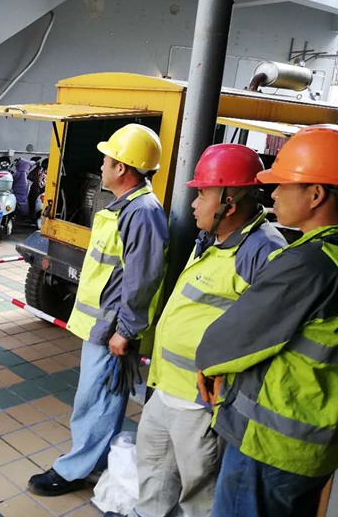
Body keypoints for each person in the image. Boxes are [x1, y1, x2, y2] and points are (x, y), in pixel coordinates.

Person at [108, 145, 286, 517]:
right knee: (154, 472)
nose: (193, 203)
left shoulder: (262, 252)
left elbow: (265, 335)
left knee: (200, 492)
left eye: (202, 193)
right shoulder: (211, 238)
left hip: (202, 402)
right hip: (166, 387)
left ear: (229, 203)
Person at [196, 126, 338, 517]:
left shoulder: (307, 264)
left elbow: (232, 339)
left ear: (315, 194)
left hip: (270, 445)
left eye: (283, 185)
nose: (272, 194)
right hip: (315, 445)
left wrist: (208, 363)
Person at [28, 124, 169, 496]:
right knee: (97, 398)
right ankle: (96, 461)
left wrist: (125, 331)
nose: (101, 167)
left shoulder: (141, 213)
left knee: (96, 401)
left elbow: (143, 278)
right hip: (103, 326)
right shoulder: (128, 207)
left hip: (112, 329)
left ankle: (76, 470)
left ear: (122, 168)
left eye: (106, 161)